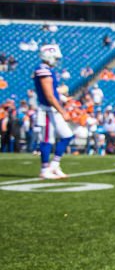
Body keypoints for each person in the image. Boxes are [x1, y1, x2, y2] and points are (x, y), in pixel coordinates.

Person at [33, 44, 73, 180]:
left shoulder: (47, 70)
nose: (56, 61)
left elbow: (52, 93)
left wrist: (62, 97)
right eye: (55, 58)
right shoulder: (43, 70)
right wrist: (62, 111)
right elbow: (49, 96)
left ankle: (54, 165)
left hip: (52, 109)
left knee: (67, 135)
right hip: (47, 110)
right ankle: (45, 169)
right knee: (47, 140)